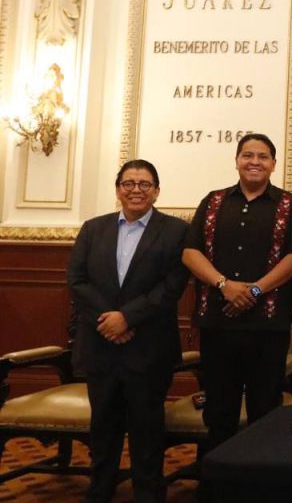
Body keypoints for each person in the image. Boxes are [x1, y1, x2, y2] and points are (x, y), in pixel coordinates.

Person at [67, 160, 189, 503]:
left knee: (147, 431)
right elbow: (76, 281)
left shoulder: (176, 232)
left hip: (149, 348)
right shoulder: (93, 229)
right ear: (118, 189)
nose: (136, 190)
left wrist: (127, 318)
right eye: (129, 183)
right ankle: (100, 490)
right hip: (101, 345)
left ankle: (148, 494)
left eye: (144, 184)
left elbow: (172, 286)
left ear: (157, 191)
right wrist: (110, 321)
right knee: (102, 428)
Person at [182, 134, 292, 455]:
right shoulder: (213, 202)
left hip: (267, 327)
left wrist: (255, 289)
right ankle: (219, 477)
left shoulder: (289, 205)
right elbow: (190, 252)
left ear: (273, 164)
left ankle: (257, 477)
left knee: (264, 410)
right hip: (217, 324)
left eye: (263, 156)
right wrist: (224, 285)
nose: (255, 161)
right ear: (237, 161)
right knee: (219, 411)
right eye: (248, 155)